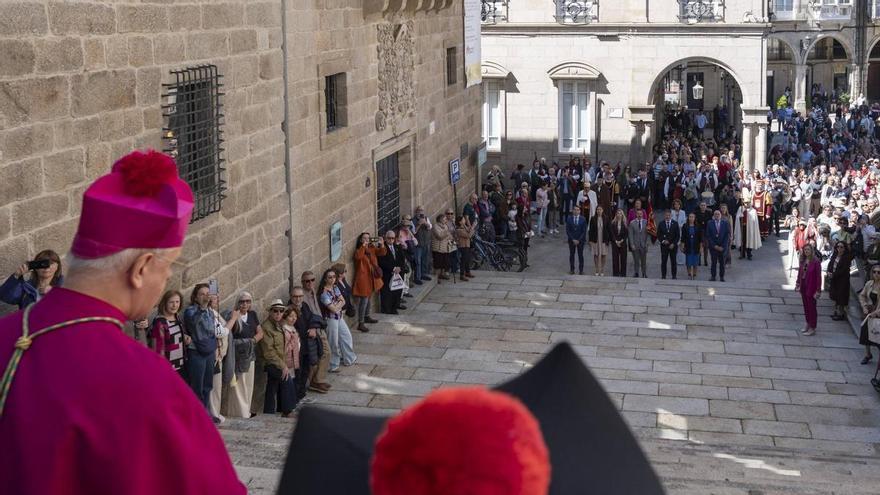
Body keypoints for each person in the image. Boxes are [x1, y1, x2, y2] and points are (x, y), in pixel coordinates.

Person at [0, 150, 245, 493]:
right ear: (141, 268)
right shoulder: (147, 383)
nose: (167, 278)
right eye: (169, 265)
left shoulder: (8, 334)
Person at [224, 291, 263, 419]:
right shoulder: (234, 316)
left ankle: (246, 410)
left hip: (250, 354)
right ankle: (240, 413)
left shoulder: (252, 315)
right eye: (242, 301)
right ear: (238, 303)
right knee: (238, 385)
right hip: (237, 357)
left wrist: (252, 341)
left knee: (248, 384)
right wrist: (244, 342)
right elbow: (228, 334)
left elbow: (260, 333)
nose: (245, 304)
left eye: (247, 301)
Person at [183, 284, 218, 412]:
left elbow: (211, 330)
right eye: (202, 294)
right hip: (196, 351)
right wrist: (203, 307)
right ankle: (197, 416)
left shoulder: (210, 311)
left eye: (207, 293)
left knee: (208, 385)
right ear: (196, 297)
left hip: (209, 351)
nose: (205, 296)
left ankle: (205, 413)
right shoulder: (190, 311)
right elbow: (193, 323)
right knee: (196, 385)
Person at [259, 300, 297, 417]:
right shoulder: (266, 327)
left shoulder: (279, 324)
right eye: (275, 311)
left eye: (281, 311)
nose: (278, 313)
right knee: (286, 379)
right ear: (270, 312)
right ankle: (288, 410)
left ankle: (269, 412)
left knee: (272, 385)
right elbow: (268, 352)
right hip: (270, 362)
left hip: (279, 360)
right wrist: (283, 366)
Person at [208, 292, 238, 424]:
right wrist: (233, 319)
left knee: (217, 387)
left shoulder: (213, 312)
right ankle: (212, 413)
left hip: (219, 355)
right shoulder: (209, 313)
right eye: (215, 297)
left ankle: (215, 412)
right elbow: (221, 332)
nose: (218, 299)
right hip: (213, 355)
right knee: (213, 387)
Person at [319, 269, 357, 372]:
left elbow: (343, 301)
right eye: (329, 277)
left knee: (346, 336)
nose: (332, 279)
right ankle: (333, 365)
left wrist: (336, 305)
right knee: (333, 342)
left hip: (339, 317)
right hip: (331, 319)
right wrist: (338, 304)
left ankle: (349, 358)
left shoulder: (335, 288)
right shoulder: (324, 293)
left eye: (334, 277)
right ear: (325, 279)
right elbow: (333, 309)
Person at [300, 271, 331, 393]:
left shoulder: (312, 292)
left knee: (323, 354)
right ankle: (317, 381)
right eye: (307, 281)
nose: (310, 283)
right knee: (325, 353)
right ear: (302, 282)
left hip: (320, 326)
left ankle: (317, 380)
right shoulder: (302, 296)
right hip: (314, 329)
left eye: (312, 280)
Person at [352, 233, 385, 332]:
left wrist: (382, 244)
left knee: (369, 297)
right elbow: (358, 257)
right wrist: (363, 246)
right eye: (364, 238)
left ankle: (367, 316)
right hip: (363, 279)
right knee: (364, 300)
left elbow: (382, 253)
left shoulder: (371, 248)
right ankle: (361, 322)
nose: (367, 240)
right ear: (361, 240)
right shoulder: (359, 250)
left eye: (368, 238)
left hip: (371, 278)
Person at [150, 290, 186, 373]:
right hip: (168, 367)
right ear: (165, 303)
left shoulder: (177, 317)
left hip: (180, 364)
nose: (174, 305)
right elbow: (157, 348)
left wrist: (185, 337)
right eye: (171, 302)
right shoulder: (160, 323)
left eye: (177, 302)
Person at [379, 230, 408, 313]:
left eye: (392, 238)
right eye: (389, 238)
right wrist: (393, 268)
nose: (391, 240)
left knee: (398, 290)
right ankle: (387, 309)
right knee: (388, 292)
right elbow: (382, 261)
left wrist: (399, 268)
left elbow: (402, 259)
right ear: (385, 238)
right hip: (388, 273)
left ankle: (396, 305)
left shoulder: (397, 247)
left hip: (398, 272)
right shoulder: (382, 248)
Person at [796, 244, 822, 336]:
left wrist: (818, 290)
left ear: (812, 250)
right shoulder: (803, 260)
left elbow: (818, 277)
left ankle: (812, 327)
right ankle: (807, 323)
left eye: (808, 249)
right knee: (806, 307)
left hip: (812, 287)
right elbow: (800, 273)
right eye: (805, 250)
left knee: (812, 308)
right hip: (804, 286)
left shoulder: (816, 262)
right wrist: (797, 283)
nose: (806, 251)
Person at [858, 266, 880, 365]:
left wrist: (876, 313)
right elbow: (862, 296)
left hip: (877, 313)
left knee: (877, 335)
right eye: (874, 272)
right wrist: (864, 307)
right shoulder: (869, 284)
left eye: (879, 272)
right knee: (865, 334)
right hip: (868, 312)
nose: (876, 274)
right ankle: (868, 354)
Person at [826, 242, 852, 321]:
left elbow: (844, 270)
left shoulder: (846, 258)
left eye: (841, 247)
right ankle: (836, 312)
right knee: (836, 296)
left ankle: (841, 314)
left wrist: (834, 274)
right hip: (834, 279)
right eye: (838, 247)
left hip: (842, 280)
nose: (839, 249)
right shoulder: (835, 255)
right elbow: (830, 264)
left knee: (841, 297)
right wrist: (829, 272)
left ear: (844, 248)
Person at [705, 210, 730, 282]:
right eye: (715, 214)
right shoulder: (710, 223)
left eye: (718, 214)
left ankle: (722, 277)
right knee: (713, 262)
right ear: (713, 216)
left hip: (722, 247)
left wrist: (723, 246)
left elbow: (727, 236)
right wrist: (714, 246)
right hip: (713, 247)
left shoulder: (725, 223)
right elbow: (708, 236)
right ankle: (713, 276)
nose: (717, 215)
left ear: (721, 215)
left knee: (722, 263)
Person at [734, 196, 761, 260]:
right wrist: (740, 216)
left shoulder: (753, 211)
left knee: (749, 240)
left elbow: (754, 221)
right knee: (742, 240)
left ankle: (749, 254)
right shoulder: (740, 208)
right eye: (745, 203)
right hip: (742, 227)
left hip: (750, 228)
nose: (746, 204)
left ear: (750, 203)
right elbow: (737, 217)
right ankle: (742, 254)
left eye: (748, 203)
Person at [657, 210, 680, 280]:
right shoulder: (661, 224)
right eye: (666, 215)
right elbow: (658, 234)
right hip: (664, 246)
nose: (667, 216)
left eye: (669, 215)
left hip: (673, 246)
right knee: (664, 261)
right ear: (664, 216)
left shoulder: (675, 224)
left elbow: (677, 236)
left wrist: (673, 243)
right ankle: (663, 276)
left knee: (673, 261)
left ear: (671, 216)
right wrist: (663, 241)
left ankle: (674, 276)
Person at [588, 205, 610, 276]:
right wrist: (590, 240)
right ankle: (597, 269)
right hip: (595, 238)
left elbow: (609, 229)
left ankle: (602, 269)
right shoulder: (593, 218)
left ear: (602, 210)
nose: (599, 211)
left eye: (600, 209)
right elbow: (590, 230)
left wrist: (609, 240)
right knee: (596, 254)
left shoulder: (606, 218)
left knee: (604, 254)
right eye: (597, 209)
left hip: (603, 238)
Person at [679, 212, 702, 280]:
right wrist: (682, 246)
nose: (691, 218)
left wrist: (701, 247)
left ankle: (694, 273)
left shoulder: (698, 226)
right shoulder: (685, 226)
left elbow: (700, 238)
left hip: (696, 246)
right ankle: (689, 273)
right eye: (690, 217)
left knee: (695, 261)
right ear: (688, 218)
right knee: (688, 261)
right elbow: (683, 237)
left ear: (695, 218)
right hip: (688, 245)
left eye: (693, 217)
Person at [431, 213, 454, 282]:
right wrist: (446, 232)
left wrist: (451, 238)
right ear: (440, 220)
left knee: (444, 263)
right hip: (438, 248)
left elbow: (449, 235)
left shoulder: (445, 226)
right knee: (437, 264)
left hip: (445, 248)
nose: (446, 220)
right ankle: (436, 278)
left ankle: (442, 274)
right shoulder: (435, 226)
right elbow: (440, 236)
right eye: (444, 219)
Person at [566, 205, 587, 275]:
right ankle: (572, 269)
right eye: (574, 210)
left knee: (580, 255)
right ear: (572, 211)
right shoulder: (569, 219)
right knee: (572, 255)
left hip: (580, 241)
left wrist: (578, 240)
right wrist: (573, 239)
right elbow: (568, 231)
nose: (576, 211)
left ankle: (581, 270)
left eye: (577, 210)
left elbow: (584, 231)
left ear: (580, 211)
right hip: (572, 240)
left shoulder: (583, 219)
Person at [628, 209, 649, 278]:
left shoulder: (646, 222)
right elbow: (630, 235)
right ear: (636, 215)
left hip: (643, 244)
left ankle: (644, 273)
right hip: (635, 244)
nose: (639, 215)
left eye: (641, 214)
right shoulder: (632, 223)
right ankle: (636, 273)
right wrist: (632, 245)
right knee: (636, 260)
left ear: (642, 214)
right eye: (638, 214)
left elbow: (648, 234)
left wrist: (647, 244)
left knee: (644, 261)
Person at [454, 216, 475, 281]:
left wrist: (471, 226)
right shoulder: (458, 229)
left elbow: (469, 230)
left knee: (467, 259)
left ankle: (467, 272)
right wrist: (473, 228)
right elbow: (468, 235)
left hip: (467, 245)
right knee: (463, 260)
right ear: (460, 222)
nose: (464, 221)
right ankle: (462, 275)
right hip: (463, 246)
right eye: (463, 220)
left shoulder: (464, 227)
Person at [610, 208, 628, 277]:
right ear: (616, 215)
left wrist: (621, 241)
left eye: (620, 213)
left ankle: (623, 274)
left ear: (622, 215)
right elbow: (612, 234)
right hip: (615, 243)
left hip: (623, 243)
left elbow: (626, 234)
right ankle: (615, 274)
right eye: (618, 213)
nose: (619, 215)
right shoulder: (613, 223)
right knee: (615, 259)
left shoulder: (625, 223)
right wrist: (616, 241)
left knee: (623, 259)